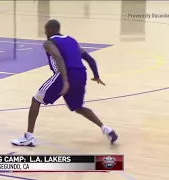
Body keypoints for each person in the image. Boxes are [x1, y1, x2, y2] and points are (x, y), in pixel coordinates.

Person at [11, 19, 118, 147]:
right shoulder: (72, 40)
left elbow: (58, 58)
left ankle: (29, 137)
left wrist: (65, 81)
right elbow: (89, 58)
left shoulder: (49, 43)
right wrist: (96, 75)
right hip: (81, 74)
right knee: (78, 107)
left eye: (46, 29)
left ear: (51, 30)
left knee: (36, 100)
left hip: (64, 75)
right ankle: (106, 129)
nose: (45, 32)